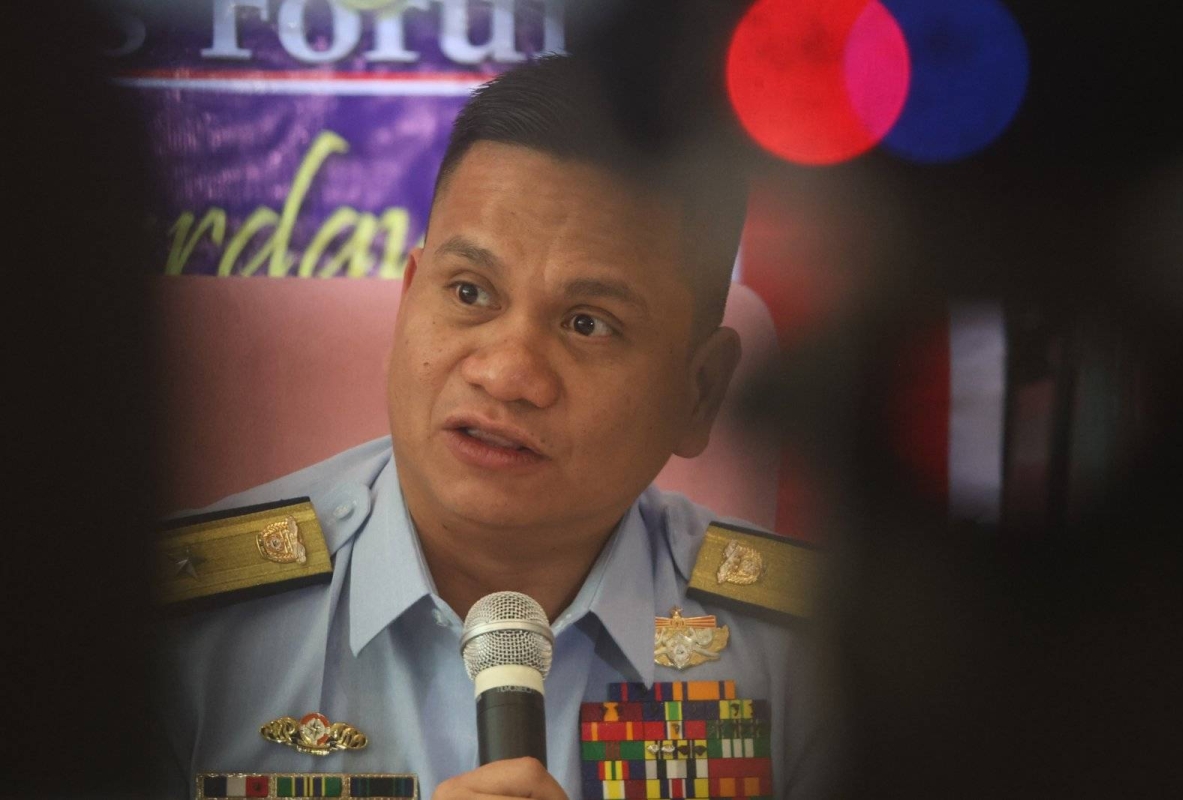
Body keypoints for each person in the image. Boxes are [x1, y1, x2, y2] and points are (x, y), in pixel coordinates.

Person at [158, 54, 831, 799]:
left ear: (699, 394)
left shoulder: (815, 661)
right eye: (470, 291)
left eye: (587, 324)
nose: (507, 374)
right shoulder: (184, 631)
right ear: (410, 299)